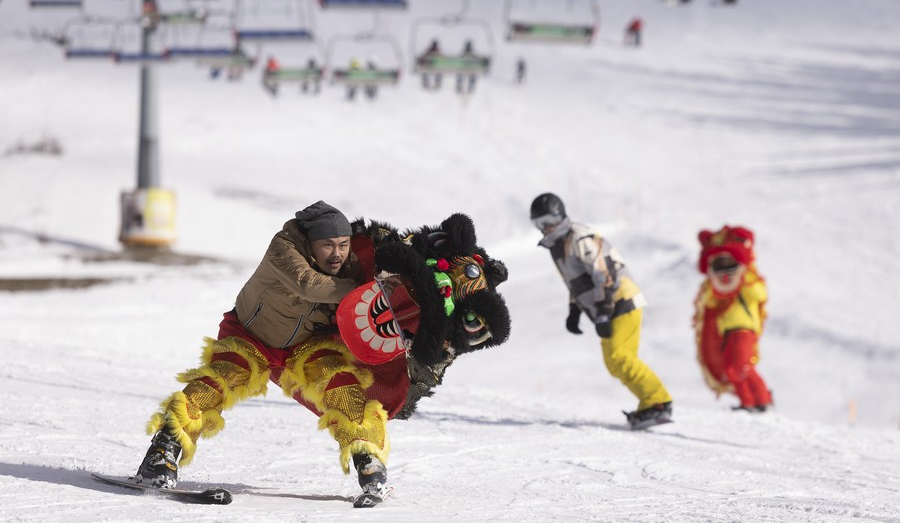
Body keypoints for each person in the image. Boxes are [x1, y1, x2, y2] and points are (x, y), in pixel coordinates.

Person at [134, 202, 512, 502]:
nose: (336, 253)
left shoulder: (352, 258)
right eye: (327, 245)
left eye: (343, 245)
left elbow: (401, 276)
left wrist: (440, 322)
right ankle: (163, 450)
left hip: (306, 346)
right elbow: (309, 284)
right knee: (219, 380)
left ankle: (368, 461)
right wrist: (365, 289)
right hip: (251, 335)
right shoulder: (285, 246)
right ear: (310, 241)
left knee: (344, 387)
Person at [530, 193, 673, 430]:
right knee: (613, 363)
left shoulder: (578, 237)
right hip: (606, 305)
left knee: (620, 356)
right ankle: (650, 403)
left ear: (560, 216)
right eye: (538, 224)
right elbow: (577, 281)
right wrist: (574, 309)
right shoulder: (558, 245)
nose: (544, 228)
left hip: (621, 300)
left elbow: (604, 274)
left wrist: (605, 311)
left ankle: (658, 401)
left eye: (547, 221)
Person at [693, 225, 773, 412]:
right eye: (719, 265)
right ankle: (755, 401)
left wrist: (745, 277)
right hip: (726, 333)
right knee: (737, 369)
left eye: (729, 264)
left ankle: (757, 401)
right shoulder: (713, 291)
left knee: (739, 367)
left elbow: (759, 294)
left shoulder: (749, 283)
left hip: (743, 330)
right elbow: (708, 304)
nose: (725, 272)